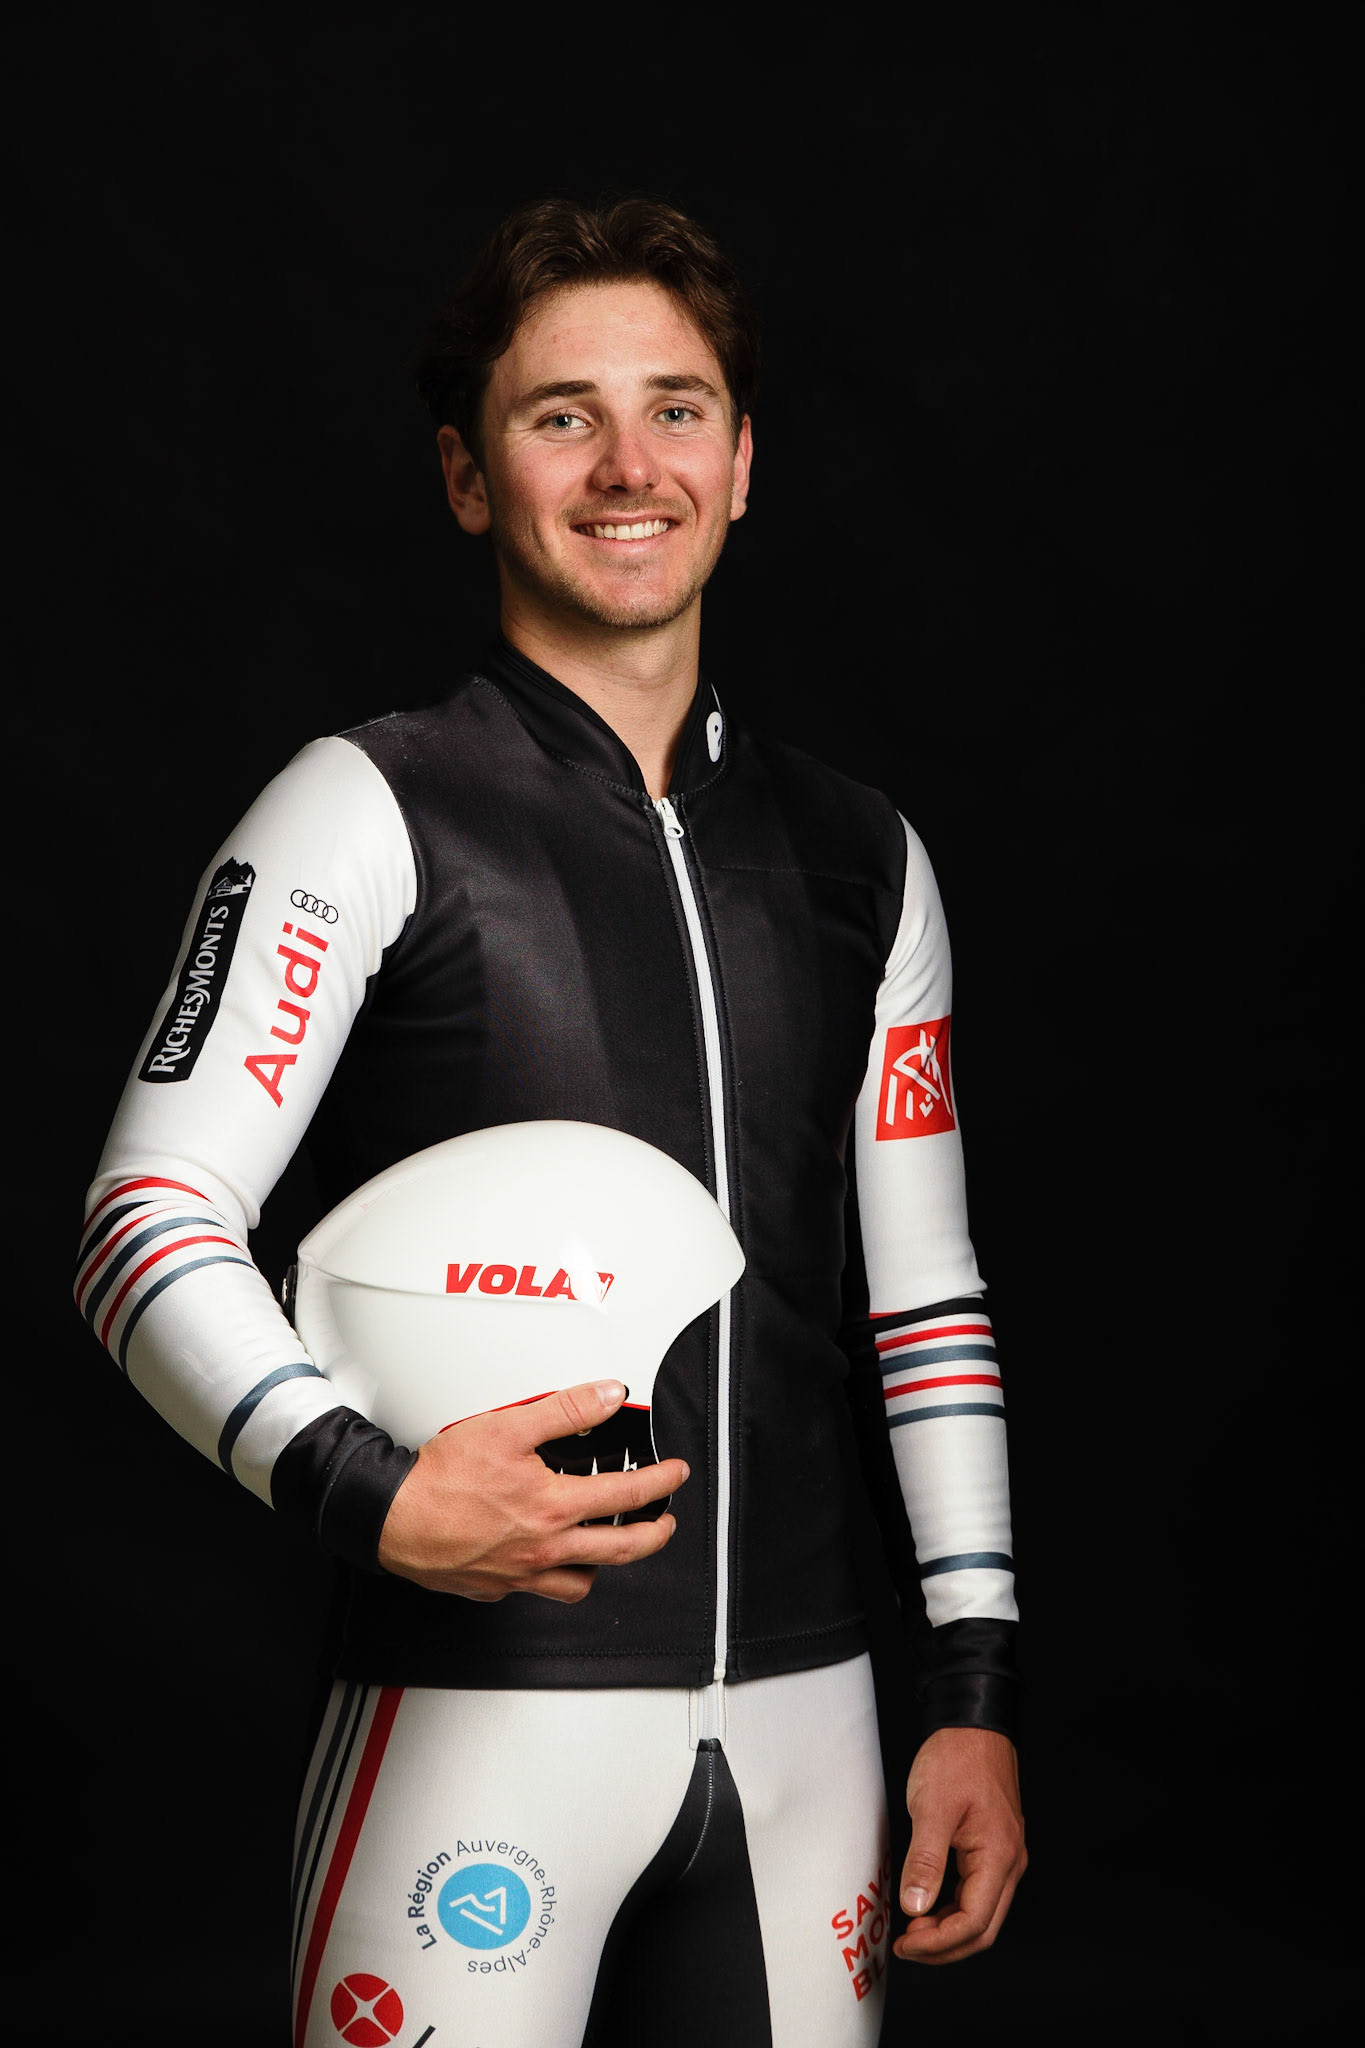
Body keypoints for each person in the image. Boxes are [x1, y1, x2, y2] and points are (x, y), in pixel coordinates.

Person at [75, 195, 1026, 2047]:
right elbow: (143, 1224)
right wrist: (368, 1489)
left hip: (814, 1730)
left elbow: (922, 1306)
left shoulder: (863, 856)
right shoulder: (362, 807)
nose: (626, 467)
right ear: (466, 473)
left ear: (740, 464)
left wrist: (973, 1689)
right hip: (470, 1730)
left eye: (675, 411)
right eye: (558, 416)